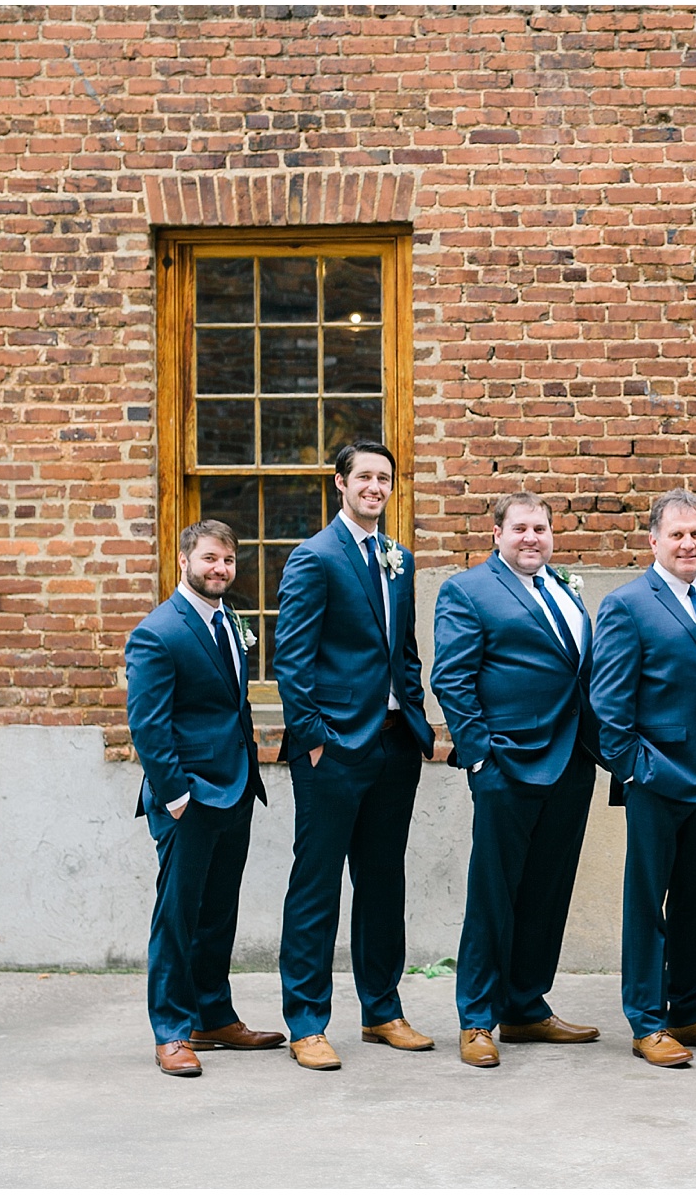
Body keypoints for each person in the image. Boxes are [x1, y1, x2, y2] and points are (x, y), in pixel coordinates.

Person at [272, 441, 436, 1071]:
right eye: (364, 476)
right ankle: (307, 1022)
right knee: (316, 887)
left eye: (384, 478)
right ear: (340, 483)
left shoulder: (399, 558)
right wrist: (314, 737)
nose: (375, 486)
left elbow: (405, 649)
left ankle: (382, 1011)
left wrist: (412, 712)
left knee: (383, 883)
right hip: (333, 750)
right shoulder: (314, 557)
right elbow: (292, 658)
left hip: (394, 744)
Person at [431, 491, 604, 1068]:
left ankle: (525, 1007)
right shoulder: (468, 590)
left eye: (541, 528)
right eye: (520, 528)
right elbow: (452, 679)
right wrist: (480, 758)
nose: (532, 538)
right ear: (497, 534)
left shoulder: (563, 590)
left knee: (547, 891)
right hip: (507, 764)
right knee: (494, 894)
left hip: (570, 761)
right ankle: (477, 1018)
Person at [591, 489, 696, 1069]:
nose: (689, 544)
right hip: (657, 778)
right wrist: (639, 770)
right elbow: (608, 708)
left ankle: (687, 1006)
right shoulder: (628, 604)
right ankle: (647, 1019)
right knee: (648, 901)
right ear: (653, 540)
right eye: (677, 535)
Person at [125, 519, 283, 1076]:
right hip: (188, 798)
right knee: (177, 917)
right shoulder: (158, 631)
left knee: (218, 913)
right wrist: (175, 796)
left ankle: (212, 1016)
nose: (221, 569)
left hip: (235, 790)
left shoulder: (227, 621)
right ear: (185, 561)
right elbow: (147, 724)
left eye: (228, 560)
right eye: (210, 558)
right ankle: (171, 1031)